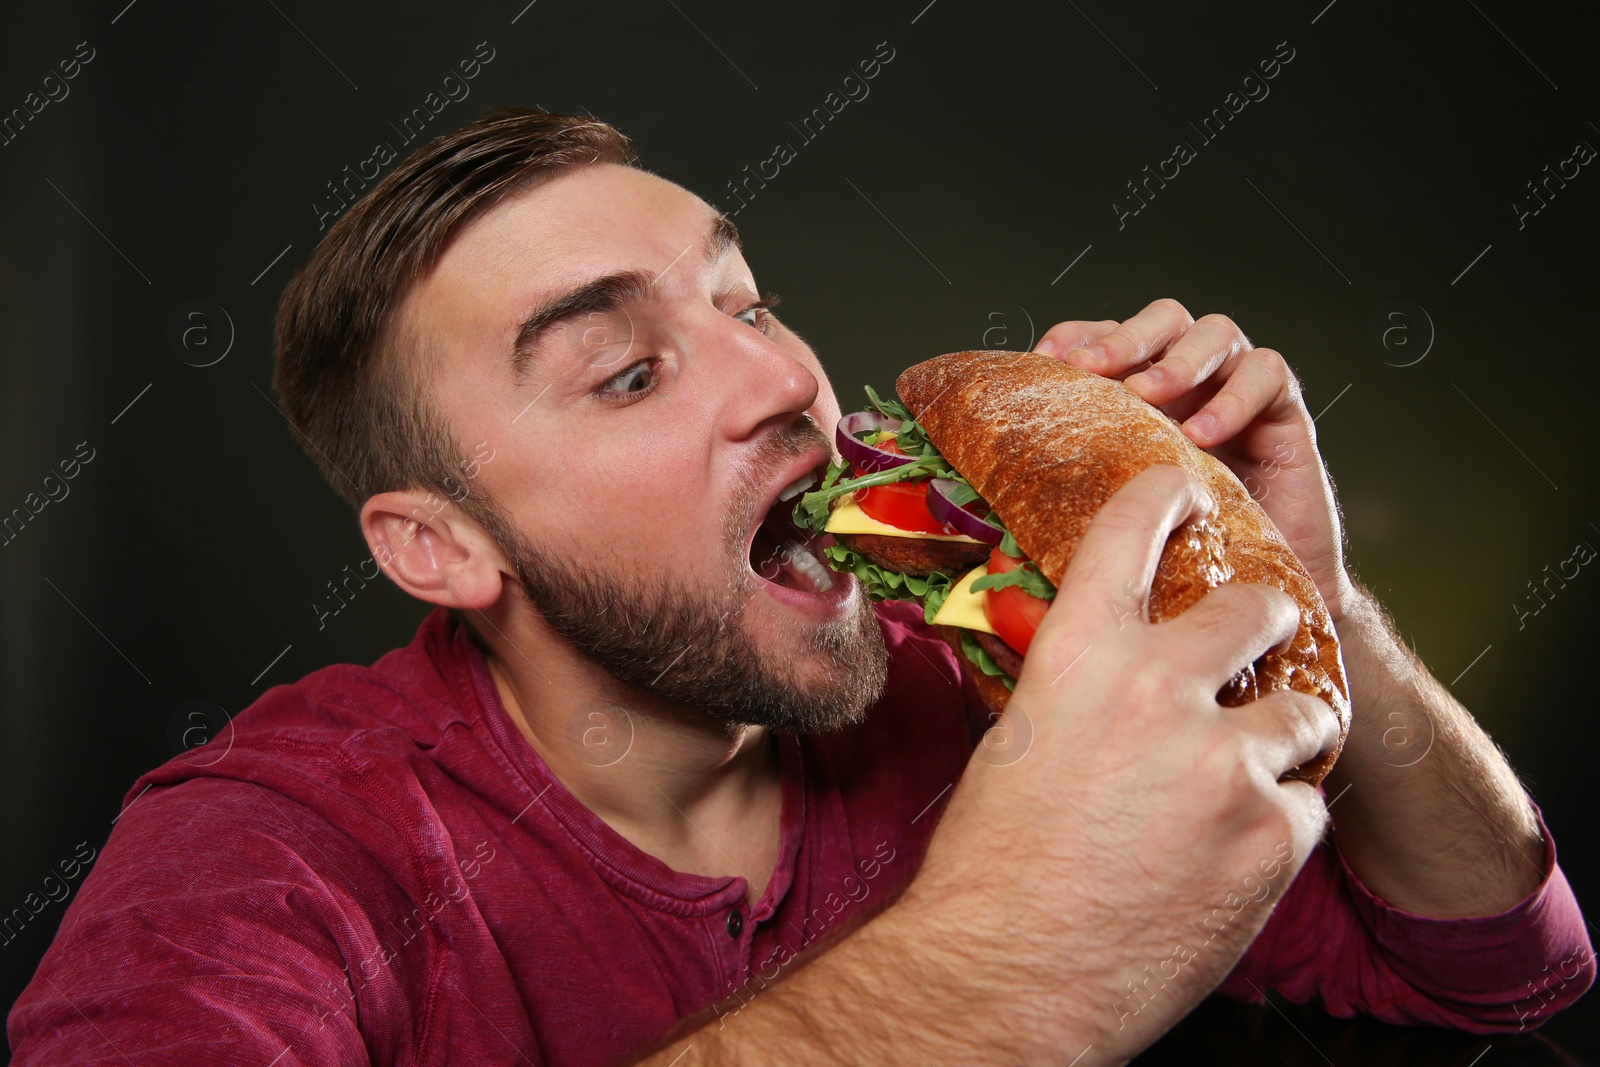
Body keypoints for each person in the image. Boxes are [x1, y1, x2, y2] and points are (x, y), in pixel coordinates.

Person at [8, 108, 1592, 1065]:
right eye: (628, 373)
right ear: (441, 546)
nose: (783, 382)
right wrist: (990, 966)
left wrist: (1319, 605)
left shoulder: (973, 669)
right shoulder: (273, 859)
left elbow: (1499, 969)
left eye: (749, 299)